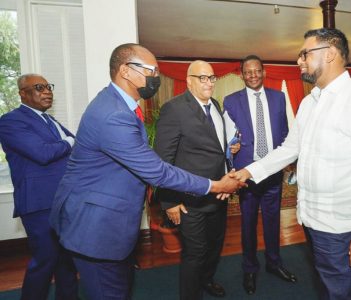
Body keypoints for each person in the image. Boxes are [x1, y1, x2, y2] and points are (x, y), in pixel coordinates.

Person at [49, 44, 244, 300]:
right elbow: (158, 169)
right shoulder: (114, 114)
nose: (156, 78)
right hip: (95, 226)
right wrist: (216, 186)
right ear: (126, 71)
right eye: (151, 70)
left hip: (109, 219)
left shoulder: (119, 104)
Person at [232, 28, 351, 299]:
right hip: (312, 221)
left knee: (338, 292)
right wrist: (247, 172)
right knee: (328, 286)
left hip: (342, 227)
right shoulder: (310, 102)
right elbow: (290, 148)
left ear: (330, 53)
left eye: (305, 54)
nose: (300, 61)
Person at [154, 60, 239, 300]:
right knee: (194, 253)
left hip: (219, 195)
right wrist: (169, 202)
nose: (209, 82)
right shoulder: (174, 109)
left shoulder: (215, 104)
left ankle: (207, 280)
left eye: (212, 77)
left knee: (214, 247)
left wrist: (228, 164)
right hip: (189, 200)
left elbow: (215, 149)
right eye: (202, 77)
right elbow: (163, 161)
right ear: (189, 80)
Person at [0, 74, 78, 300]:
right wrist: (68, 142)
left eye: (48, 87)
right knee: (45, 261)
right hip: (39, 203)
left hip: (64, 200)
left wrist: (67, 143)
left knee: (67, 260)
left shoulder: (50, 120)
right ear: (22, 94)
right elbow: (43, 153)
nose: (47, 91)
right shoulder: (10, 121)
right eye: (39, 87)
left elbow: (73, 146)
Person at [223, 55, 294, 295]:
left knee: (273, 221)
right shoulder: (231, 101)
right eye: (248, 72)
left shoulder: (279, 97)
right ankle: (250, 269)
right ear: (241, 74)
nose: (253, 75)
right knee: (248, 223)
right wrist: (231, 147)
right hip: (247, 174)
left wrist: (286, 161)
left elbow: (284, 131)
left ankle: (274, 263)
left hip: (272, 172)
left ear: (264, 72)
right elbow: (227, 136)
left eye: (257, 71)